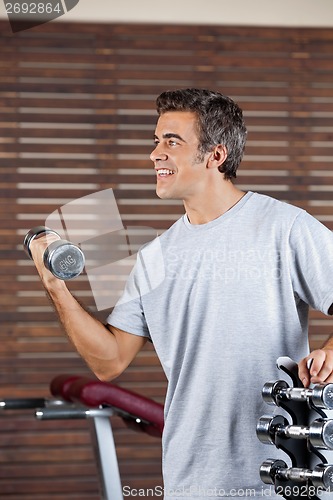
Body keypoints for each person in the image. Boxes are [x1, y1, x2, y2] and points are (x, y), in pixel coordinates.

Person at [30, 88, 333, 499]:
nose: (156, 154)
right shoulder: (156, 256)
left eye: (171, 142)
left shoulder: (284, 228)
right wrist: (55, 286)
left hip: (279, 475)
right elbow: (110, 361)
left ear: (216, 155)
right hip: (191, 476)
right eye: (156, 142)